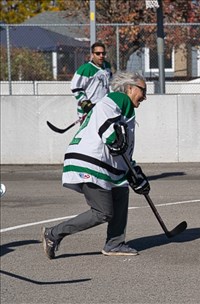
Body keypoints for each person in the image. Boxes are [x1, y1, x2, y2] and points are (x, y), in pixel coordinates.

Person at [41, 71, 150, 259]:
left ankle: (114, 243)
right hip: (91, 161)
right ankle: (52, 234)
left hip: (104, 164)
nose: (145, 97)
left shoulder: (127, 111)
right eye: (143, 91)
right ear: (130, 88)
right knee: (102, 212)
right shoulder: (119, 98)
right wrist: (110, 135)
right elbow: (105, 120)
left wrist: (134, 173)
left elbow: (122, 148)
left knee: (121, 190)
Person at [71, 41, 113, 122]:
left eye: (103, 53)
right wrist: (85, 103)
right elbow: (75, 87)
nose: (101, 56)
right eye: (98, 53)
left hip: (103, 108)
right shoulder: (86, 69)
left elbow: (109, 85)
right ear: (92, 54)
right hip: (89, 110)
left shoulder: (107, 66)